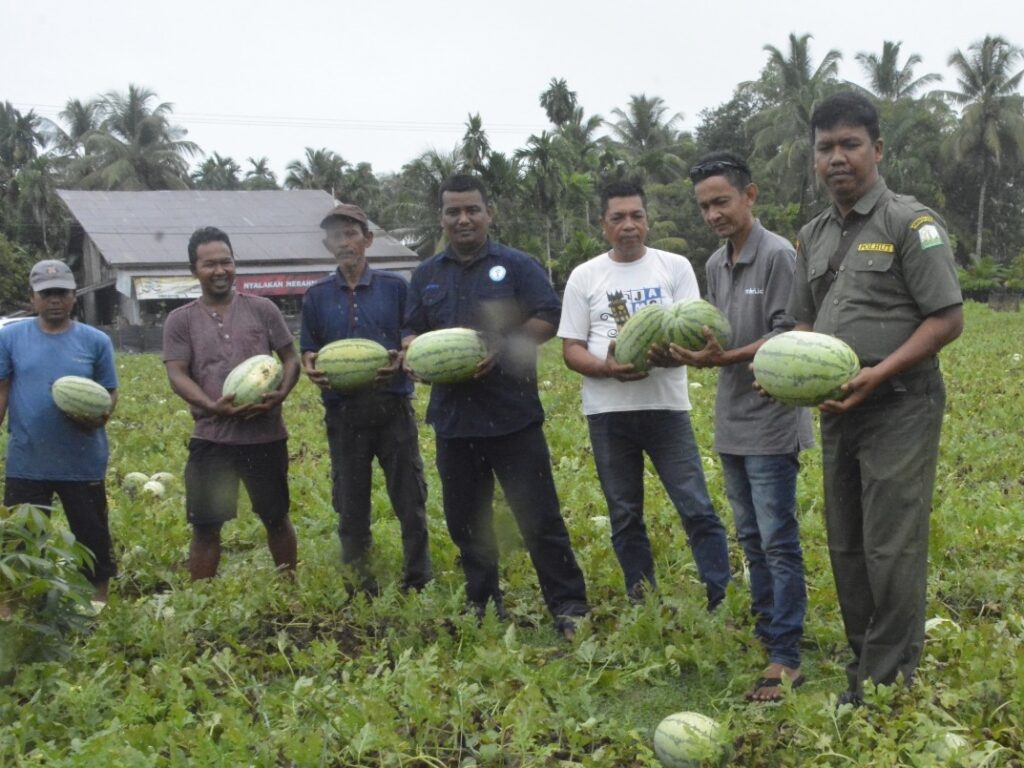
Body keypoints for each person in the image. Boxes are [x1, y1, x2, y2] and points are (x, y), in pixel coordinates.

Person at [788, 92, 963, 706]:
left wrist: (876, 372)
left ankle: (884, 686)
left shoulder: (910, 223)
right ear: (814, 157)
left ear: (877, 149)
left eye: (850, 144)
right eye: (825, 147)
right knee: (847, 544)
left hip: (898, 404)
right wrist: (784, 374)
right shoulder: (811, 236)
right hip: (840, 409)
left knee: (891, 546)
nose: (837, 157)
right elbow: (804, 327)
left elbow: (946, 319)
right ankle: (868, 661)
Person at [403, 173, 588, 639]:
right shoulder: (426, 275)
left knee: (539, 517)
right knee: (467, 522)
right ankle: (483, 603)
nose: (463, 219)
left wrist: (503, 347)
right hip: (454, 422)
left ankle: (568, 605)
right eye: (453, 211)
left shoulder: (518, 265)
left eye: (472, 210)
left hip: (513, 416)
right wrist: (413, 355)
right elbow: (409, 331)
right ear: (441, 217)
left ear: (489, 213)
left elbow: (548, 315)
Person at [675, 152, 813, 701]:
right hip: (731, 419)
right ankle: (766, 628)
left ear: (749, 196)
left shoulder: (780, 255)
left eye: (722, 202)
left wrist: (720, 359)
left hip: (772, 418)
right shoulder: (714, 263)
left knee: (779, 539)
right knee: (751, 537)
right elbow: (718, 334)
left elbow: (787, 336)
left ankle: (787, 654)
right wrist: (684, 349)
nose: (713, 214)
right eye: (705, 206)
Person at [558, 180, 731, 610]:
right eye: (618, 218)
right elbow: (571, 349)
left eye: (636, 215)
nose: (629, 225)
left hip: (666, 409)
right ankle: (642, 600)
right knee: (625, 514)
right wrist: (606, 368)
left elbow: (694, 331)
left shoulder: (674, 267)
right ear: (604, 225)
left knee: (696, 508)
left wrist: (670, 357)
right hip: (607, 412)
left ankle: (720, 597)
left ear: (647, 220)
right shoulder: (585, 276)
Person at [300, 203, 431, 595]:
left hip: (392, 407)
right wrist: (311, 366)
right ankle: (360, 582)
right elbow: (309, 350)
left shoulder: (395, 288)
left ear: (367, 239)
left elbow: (411, 337)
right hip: (344, 413)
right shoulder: (316, 296)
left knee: (410, 499)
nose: (344, 242)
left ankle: (418, 578)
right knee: (351, 504)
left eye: (351, 233)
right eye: (336, 236)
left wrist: (402, 356)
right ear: (328, 245)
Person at [163, 226, 300, 581]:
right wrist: (212, 406)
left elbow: (290, 358)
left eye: (227, 261)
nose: (220, 270)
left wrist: (280, 394)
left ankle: (290, 587)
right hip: (211, 438)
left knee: (276, 517)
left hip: (265, 435)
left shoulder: (263, 309)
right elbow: (177, 373)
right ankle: (202, 600)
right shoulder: (181, 320)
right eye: (210, 264)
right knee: (206, 527)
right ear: (194, 270)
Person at [0, 259, 118, 607]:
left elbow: (109, 391)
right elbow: (3, 389)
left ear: (73, 296)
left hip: (82, 460)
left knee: (92, 534)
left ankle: (97, 602)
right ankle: (16, 606)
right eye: (46, 293)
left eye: (62, 293)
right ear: (33, 297)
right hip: (27, 459)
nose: (55, 300)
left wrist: (100, 415)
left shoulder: (96, 341)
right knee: (20, 539)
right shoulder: (10, 337)